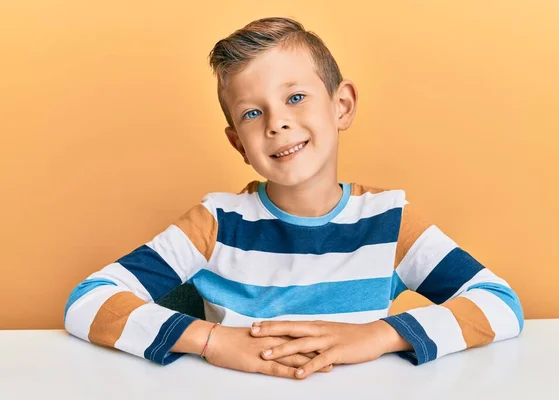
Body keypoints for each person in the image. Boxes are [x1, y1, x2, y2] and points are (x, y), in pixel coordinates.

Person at [64, 16, 524, 380]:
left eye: (296, 97)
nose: (277, 123)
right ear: (238, 143)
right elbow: (88, 301)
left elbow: (499, 303)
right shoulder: (215, 223)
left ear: (341, 106)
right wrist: (212, 342)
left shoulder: (390, 223)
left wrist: (378, 336)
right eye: (252, 112)